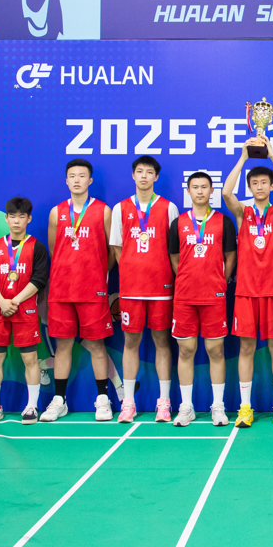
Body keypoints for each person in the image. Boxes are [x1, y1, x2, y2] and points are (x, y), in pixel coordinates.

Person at [223, 141, 273, 427]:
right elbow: (226, 193)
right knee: (246, 349)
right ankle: (245, 408)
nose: (260, 187)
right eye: (255, 183)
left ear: (271, 186)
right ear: (250, 187)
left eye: (264, 182)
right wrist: (243, 158)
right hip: (246, 291)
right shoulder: (243, 213)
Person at [43, 159, 116, 422]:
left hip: (92, 291)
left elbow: (111, 251)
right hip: (62, 291)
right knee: (62, 346)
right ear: (66, 180)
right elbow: (55, 249)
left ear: (90, 180)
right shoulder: (56, 212)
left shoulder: (103, 211)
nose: (77, 180)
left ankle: (103, 399)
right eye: (72, 176)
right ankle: (59, 400)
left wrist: (97, 273)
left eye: (82, 176)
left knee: (96, 345)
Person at [109, 156, 180, 423]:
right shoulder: (120, 208)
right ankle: (128, 402)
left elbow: (175, 249)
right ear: (133, 175)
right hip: (130, 289)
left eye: (149, 172)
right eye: (139, 171)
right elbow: (116, 247)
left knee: (162, 341)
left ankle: (164, 403)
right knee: (131, 343)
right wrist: (132, 270)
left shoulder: (169, 207)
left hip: (161, 288)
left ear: (156, 177)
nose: (144, 176)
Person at [168, 172, 237, 427]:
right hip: (185, 296)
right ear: (188, 191)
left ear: (211, 191)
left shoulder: (223, 222)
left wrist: (218, 281)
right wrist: (189, 278)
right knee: (186, 350)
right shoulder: (178, 223)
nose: (199, 191)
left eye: (204, 187)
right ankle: (186, 407)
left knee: (215, 349)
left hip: (214, 296)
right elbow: (174, 258)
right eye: (195, 187)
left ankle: (218, 406)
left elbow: (230, 257)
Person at [0, 197, 49, 425]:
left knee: (30, 358)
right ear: (6, 218)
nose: (16, 221)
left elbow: (40, 279)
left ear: (29, 219)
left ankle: (31, 407)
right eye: (12, 216)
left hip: (25, 310)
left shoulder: (37, 247)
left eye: (21, 216)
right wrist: (2, 301)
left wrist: (15, 301)